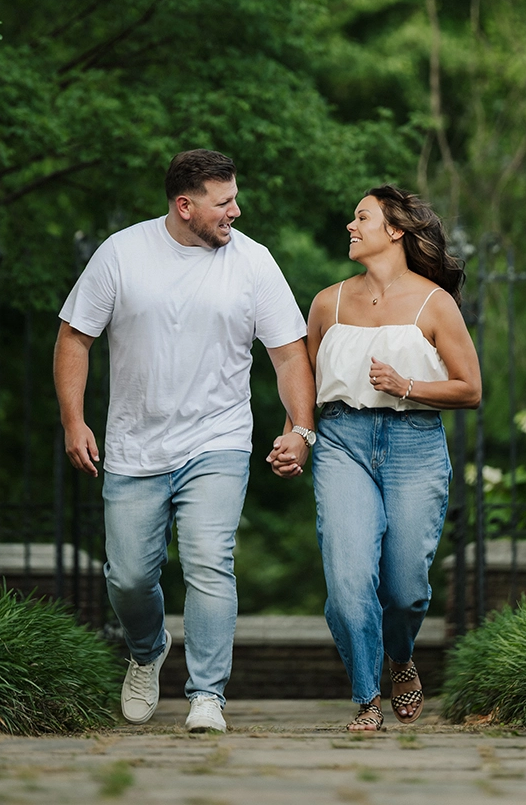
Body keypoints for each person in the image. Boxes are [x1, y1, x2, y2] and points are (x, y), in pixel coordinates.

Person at [55, 149, 317, 733]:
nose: (236, 211)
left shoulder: (253, 263)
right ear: (185, 205)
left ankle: (207, 695)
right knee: (127, 577)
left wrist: (300, 428)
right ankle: (147, 651)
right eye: (223, 203)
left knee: (208, 560)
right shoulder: (121, 254)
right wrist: (74, 421)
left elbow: (288, 353)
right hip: (134, 445)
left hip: (217, 439)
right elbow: (74, 338)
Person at [278, 185, 483, 731]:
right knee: (348, 582)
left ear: (394, 230)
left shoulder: (434, 303)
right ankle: (367, 697)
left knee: (407, 588)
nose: (350, 225)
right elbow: (305, 382)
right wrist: (296, 434)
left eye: (361, 217)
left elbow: (470, 389)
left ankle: (401, 658)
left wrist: (408, 385)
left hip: (414, 444)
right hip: (343, 442)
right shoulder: (328, 302)